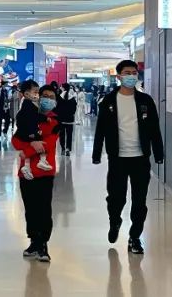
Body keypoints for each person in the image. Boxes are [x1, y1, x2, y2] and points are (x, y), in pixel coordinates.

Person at [92, 60, 165, 255]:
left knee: (139, 200)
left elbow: (154, 129)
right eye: (127, 73)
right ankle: (115, 221)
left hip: (140, 157)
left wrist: (158, 153)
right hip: (118, 157)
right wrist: (96, 153)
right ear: (119, 76)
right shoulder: (108, 101)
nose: (131, 76)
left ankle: (135, 236)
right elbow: (100, 129)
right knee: (116, 197)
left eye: (134, 73)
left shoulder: (145, 101)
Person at [12, 82, 59, 262]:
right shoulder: (27, 116)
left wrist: (27, 150)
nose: (46, 99)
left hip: (45, 172)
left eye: (51, 97)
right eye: (43, 96)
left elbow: (48, 144)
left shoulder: (54, 120)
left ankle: (43, 243)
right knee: (30, 208)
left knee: (44, 208)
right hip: (26, 172)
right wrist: (31, 144)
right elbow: (15, 140)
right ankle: (33, 241)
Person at [55, 85, 79, 156]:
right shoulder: (72, 98)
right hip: (70, 119)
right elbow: (74, 109)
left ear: (63, 88)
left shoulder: (59, 97)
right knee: (69, 135)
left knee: (62, 134)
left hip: (61, 119)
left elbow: (56, 109)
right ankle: (68, 148)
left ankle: (63, 148)